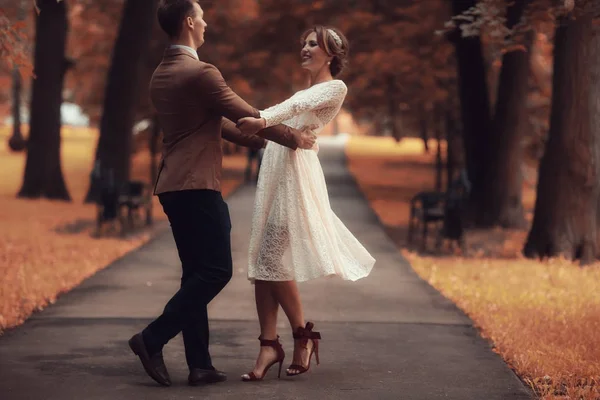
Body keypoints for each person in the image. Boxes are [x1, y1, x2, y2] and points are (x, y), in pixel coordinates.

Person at [127, 0, 317, 387]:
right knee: (216, 271)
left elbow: (220, 127)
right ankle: (151, 338)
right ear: (188, 22)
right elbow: (245, 113)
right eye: (201, 16)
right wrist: (294, 138)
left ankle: (200, 364)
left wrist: (267, 143)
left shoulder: (162, 74)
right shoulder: (201, 72)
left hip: (173, 186)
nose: (206, 22)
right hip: (197, 185)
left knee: (195, 274)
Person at [236, 26, 375, 382]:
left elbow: (294, 107)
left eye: (313, 44)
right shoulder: (310, 88)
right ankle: (269, 344)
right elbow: (285, 110)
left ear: (330, 54)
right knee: (261, 262)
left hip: (295, 174)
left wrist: (263, 119)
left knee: (267, 257)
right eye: (304, 43)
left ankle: (301, 335)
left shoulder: (334, 87)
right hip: (276, 168)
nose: (305, 48)